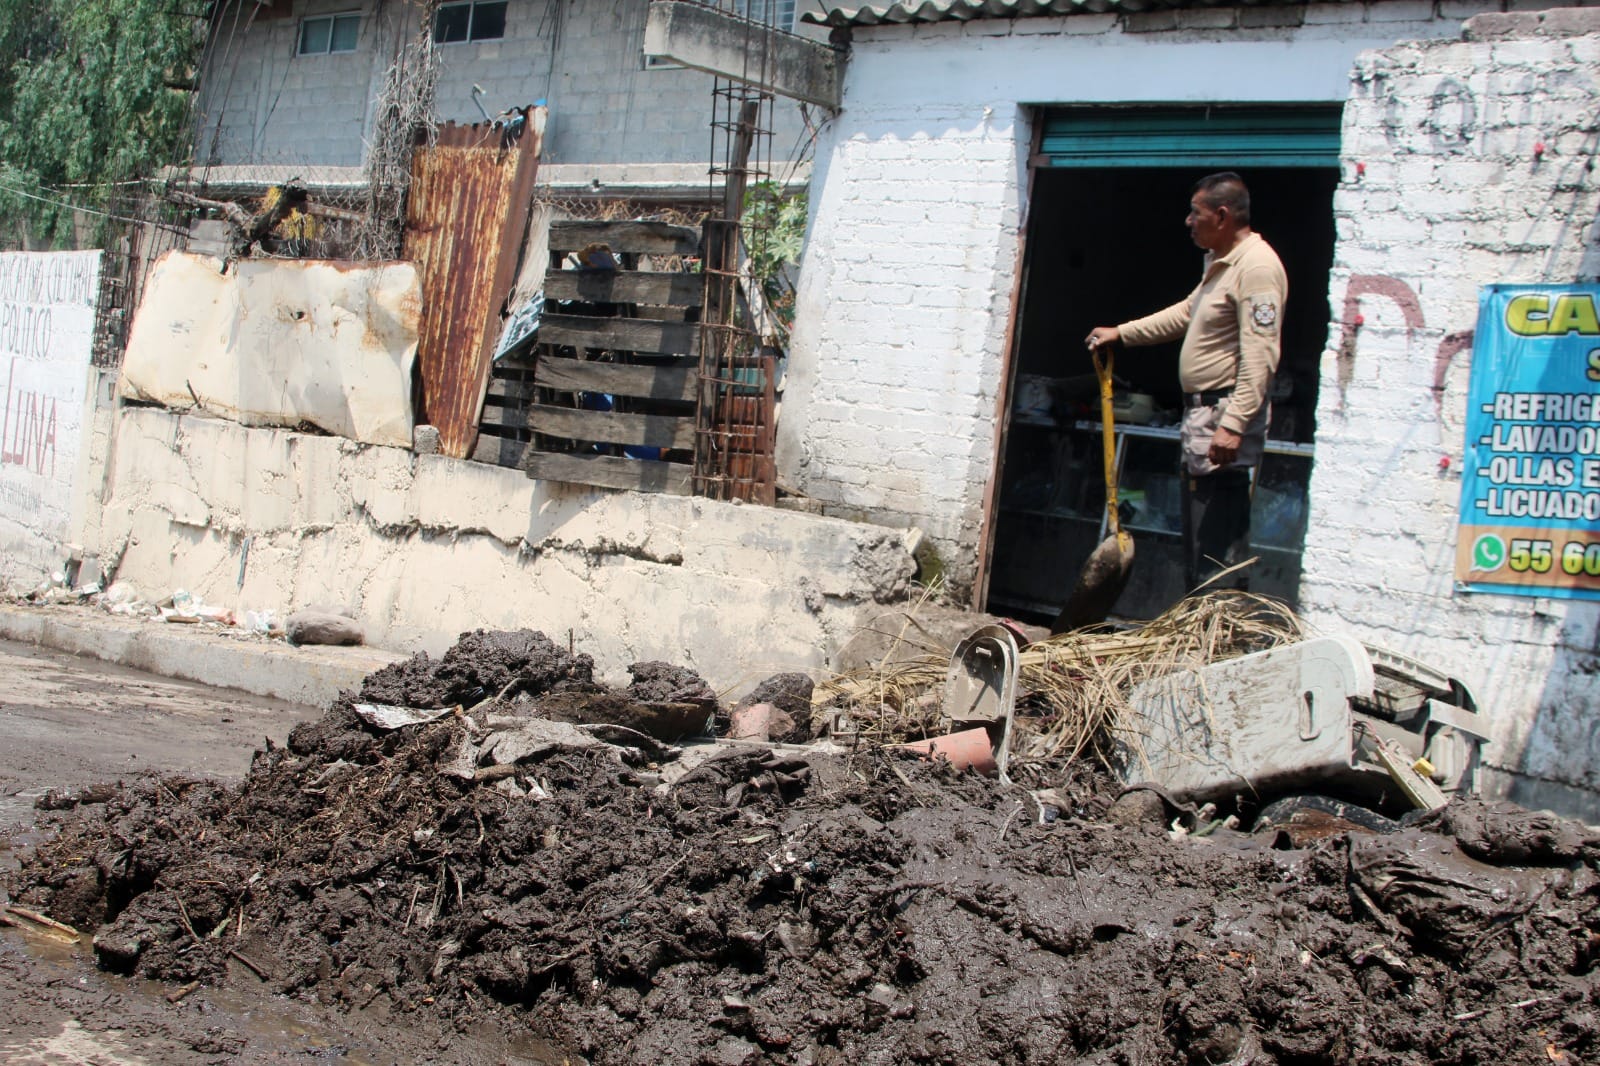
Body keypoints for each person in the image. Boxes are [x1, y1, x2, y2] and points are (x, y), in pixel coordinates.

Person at [1083, 172, 1287, 592]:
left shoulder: (1257, 267)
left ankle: (1220, 621)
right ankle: (1201, 616)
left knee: (1217, 529)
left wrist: (1234, 424)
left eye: (1196, 214)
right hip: (1204, 415)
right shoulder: (1221, 263)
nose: (1188, 222)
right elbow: (1185, 313)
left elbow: (1261, 354)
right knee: (1200, 526)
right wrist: (1123, 332)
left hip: (1222, 415)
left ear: (1222, 215)